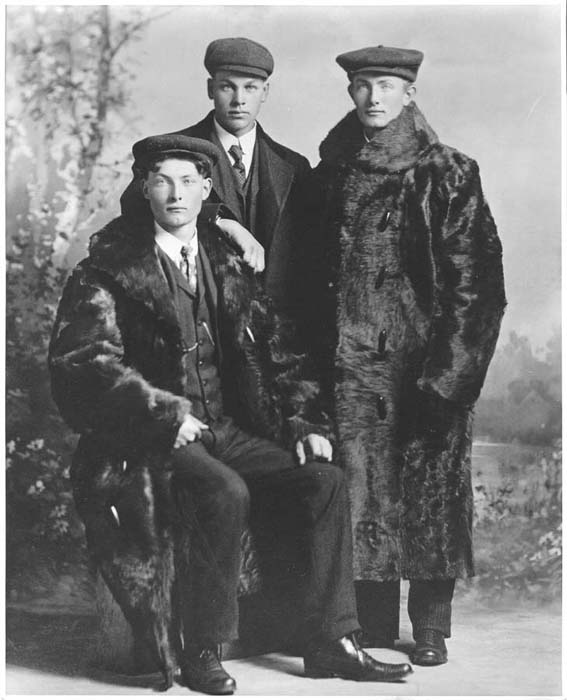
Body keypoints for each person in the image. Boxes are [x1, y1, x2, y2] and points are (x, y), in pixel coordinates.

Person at [49, 134, 412, 694]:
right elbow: (82, 364)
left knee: (324, 480)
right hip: (145, 438)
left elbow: (275, 350)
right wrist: (164, 414)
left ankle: (331, 642)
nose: (176, 193)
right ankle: (202, 650)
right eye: (162, 179)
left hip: (226, 427)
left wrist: (303, 424)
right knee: (225, 493)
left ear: (206, 190)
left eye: (188, 181)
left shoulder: (228, 261)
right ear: (143, 187)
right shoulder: (106, 269)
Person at [303, 45, 506, 666]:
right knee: (362, 498)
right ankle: (370, 626)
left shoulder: (447, 171)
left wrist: (449, 379)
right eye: (362, 85)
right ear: (351, 93)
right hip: (351, 370)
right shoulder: (329, 174)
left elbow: (477, 286)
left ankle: (433, 627)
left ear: (410, 93)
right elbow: (306, 282)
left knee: (429, 498)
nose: (372, 97)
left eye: (386, 85)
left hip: (422, 371)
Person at [121, 36, 311, 313]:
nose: (239, 100)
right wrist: (218, 219)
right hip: (201, 321)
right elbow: (135, 204)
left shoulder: (294, 165)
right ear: (211, 89)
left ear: (265, 92)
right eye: (227, 87)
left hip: (275, 330)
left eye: (250, 88)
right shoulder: (170, 151)